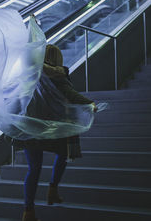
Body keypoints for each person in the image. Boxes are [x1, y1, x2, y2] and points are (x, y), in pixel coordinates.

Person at [19, 44, 96, 221]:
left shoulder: (30, 73)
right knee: (63, 154)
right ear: (57, 58)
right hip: (56, 126)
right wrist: (89, 103)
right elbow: (70, 93)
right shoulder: (58, 74)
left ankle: (28, 211)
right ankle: (52, 189)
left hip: (33, 126)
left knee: (33, 169)